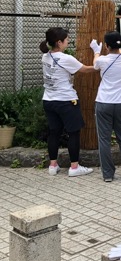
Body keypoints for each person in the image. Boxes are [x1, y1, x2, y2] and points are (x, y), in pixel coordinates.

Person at [40, 27, 96, 177]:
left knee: (54, 132)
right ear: (59, 42)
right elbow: (85, 69)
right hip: (66, 100)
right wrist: (100, 64)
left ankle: (53, 165)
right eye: (66, 39)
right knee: (73, 133)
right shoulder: (66, 58)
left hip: (49, 100)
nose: (68, 41)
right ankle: (74, 167)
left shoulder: (45, 57)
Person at [91, 31, 121, 182]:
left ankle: (108, 175)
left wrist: (96, 51)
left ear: (106, 45)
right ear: (120, 44)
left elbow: (95, 64)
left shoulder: (102, 60)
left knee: (104, 140)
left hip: (104, 102)